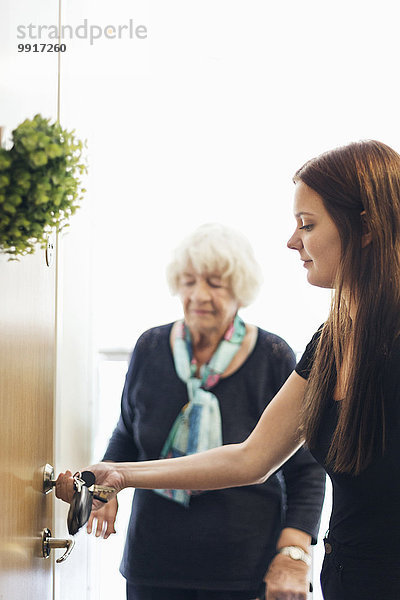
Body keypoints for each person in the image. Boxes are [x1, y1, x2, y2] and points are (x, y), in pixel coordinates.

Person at [56, 139, 400, 599]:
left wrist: (293, 551)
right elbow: (251, 458)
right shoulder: (331, 342)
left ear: (366, 228)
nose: (292, 240)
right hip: (346, 580)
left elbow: (298, 474)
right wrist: (120, 475)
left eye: (308, 224)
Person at [84, 223, 325, 600]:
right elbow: (128, 434)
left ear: (240, 289)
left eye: (215, 283)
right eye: (189, 281)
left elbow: (305, 468)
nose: (199, 295)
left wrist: (293, 555)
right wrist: (106, 489)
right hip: (154, 561)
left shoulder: (273, 357)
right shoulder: (149, 347)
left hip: (244, 566)